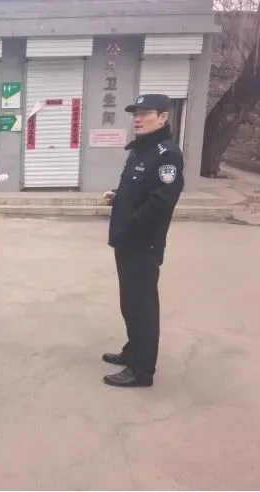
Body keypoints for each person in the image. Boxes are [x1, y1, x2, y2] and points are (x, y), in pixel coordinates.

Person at [102, 93, 185, 388]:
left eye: (145, 113)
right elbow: (138, 190)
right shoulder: (141, 149)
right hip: (127, 240)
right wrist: (118, 196)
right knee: (130, 301)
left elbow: (161, 202)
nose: (137, 119)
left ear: (163, 117)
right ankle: (133, 350)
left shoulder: (167, 154)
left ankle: (141, 370)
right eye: (135, 114)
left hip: (142, 242)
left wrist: (129, 224)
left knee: (142, 305)